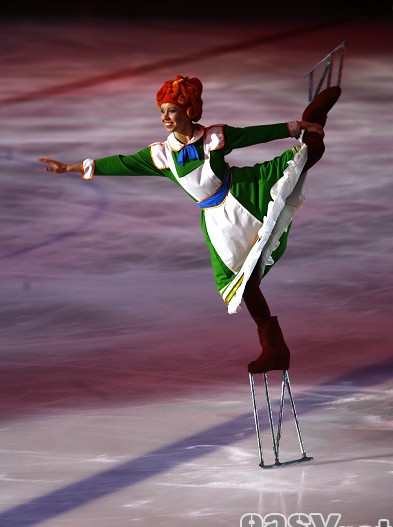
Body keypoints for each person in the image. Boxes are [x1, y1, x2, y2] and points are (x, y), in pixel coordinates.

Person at [38, 75, 340, 374]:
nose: (165, 117)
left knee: (306, 156)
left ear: (188, 111)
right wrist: (71, 167)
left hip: (245, 192)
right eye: (162, 111)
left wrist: (298, 126)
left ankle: (315, 117)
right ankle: (274, 348)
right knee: (242, 282)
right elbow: (121, 162)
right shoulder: (162, 156)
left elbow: (253, 134)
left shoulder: (214, 138)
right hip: (219, 222)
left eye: (171, 110)